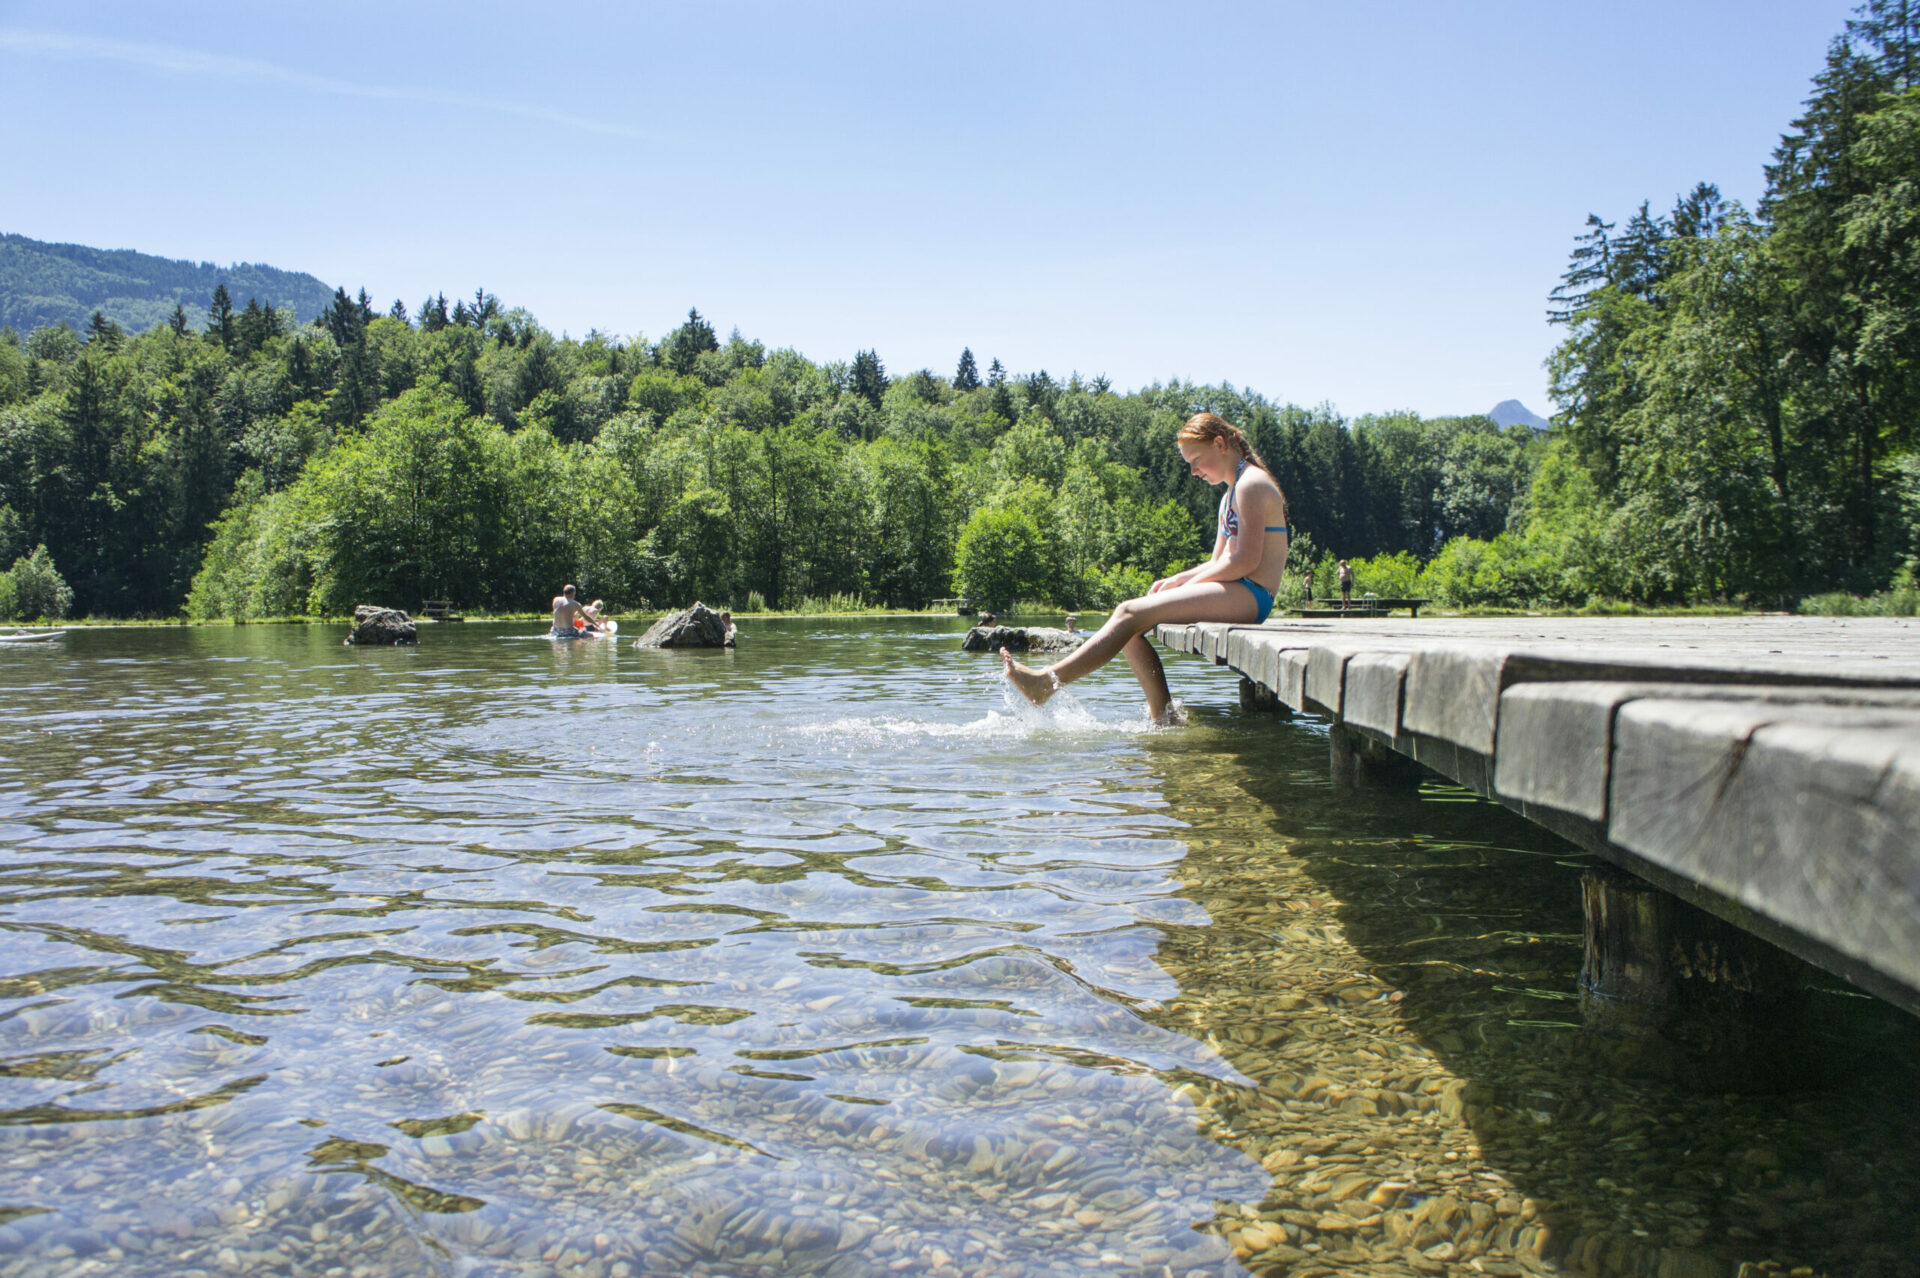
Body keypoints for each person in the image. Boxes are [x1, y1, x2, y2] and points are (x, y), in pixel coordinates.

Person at [1002, 411, 1290, 723]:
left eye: (1195, 459)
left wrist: (1185, 586)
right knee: (1129, 623)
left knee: (1129, 612)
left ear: (1220, 444)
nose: (1193, 470)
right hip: (1235, 590)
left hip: (1252, 594)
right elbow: (1217, 562)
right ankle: (1163, 717)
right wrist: (1177, 579)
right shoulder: (1230, 494)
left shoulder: (1251, 485)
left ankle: (1046, 683)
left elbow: (1246, 561)